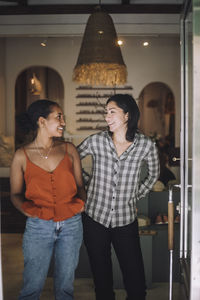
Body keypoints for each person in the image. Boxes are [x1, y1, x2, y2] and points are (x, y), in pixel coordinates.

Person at [77, 94, 160, 300]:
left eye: (111, 112)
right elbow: (72, 161)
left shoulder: (146, 145)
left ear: (127, 115)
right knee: (101, 280)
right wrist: (87, 183)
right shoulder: (96, 141)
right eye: (106, 112)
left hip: (125, 221)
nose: (107, 117)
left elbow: (153, 174)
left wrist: (135, 195)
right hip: (94, 218)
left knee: (136, 281)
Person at [10, 99, 86, 300]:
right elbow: (15, 194)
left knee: (65, 287)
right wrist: (28, 211)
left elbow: (80, 186)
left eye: (63, 118)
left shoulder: (69, 150)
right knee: (32, 287)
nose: (63, 122)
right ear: (42, 121)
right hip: (38, 227)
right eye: (58, 117)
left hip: (71, 225)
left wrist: (82, 204)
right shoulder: (21, 155)